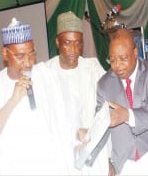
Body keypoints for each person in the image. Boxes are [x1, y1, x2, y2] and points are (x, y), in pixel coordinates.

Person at [0, 18, 83, 175]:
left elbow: (70, 111)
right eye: (20, 56)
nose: (28, 62)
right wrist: (13, 101)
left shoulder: (46, 75)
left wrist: (78, 133)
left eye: (31, 54)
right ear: (5, 54)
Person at [96, 29, 148, 175]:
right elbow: (100, 125)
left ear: (135, 53)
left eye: (123, 58)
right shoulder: (103, 84)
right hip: (122, 165)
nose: (117, 66)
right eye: (113, 59)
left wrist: (128, 115)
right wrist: (104, 158)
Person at [46, 11, 108, 175]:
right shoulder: (46, 74)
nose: (73, 49)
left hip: (93, 153)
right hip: (60, 155)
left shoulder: (93, 69)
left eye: (78, 43)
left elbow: (107, 110)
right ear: (58, 42)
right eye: (67, 43)